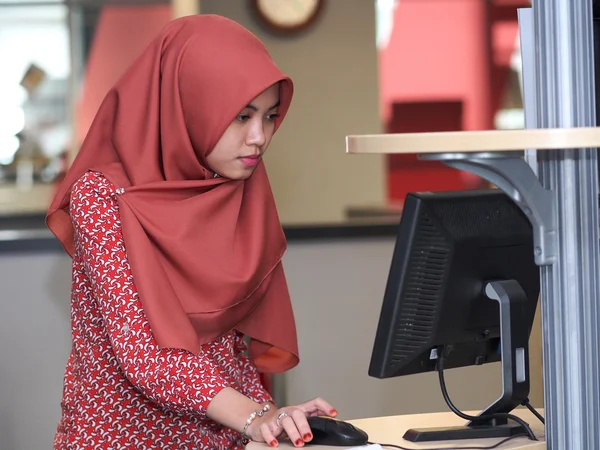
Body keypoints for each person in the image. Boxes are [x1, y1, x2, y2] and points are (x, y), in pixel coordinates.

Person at [47, 14, 338, 449]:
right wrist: (255, 417)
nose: (259, 137)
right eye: (241, 116)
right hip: (120, 439)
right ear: (188, 103)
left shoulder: (233, 187)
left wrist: (276, 418)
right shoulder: (102, 195)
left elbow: (228, 353)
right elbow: (147, 355)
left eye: (270, 116)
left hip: (217, 439)